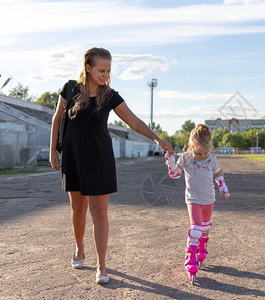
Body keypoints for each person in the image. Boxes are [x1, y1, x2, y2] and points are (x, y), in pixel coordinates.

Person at [49, 47, 174, 284]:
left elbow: (134, 121)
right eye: (101, 70)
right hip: (73, 157)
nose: (106, 75)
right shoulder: (69, 88)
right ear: (88, 67)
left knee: (100, 212)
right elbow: (57, 118)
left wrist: (157, 139)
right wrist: (52, 149)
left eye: (108, 70)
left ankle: (102, 265)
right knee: (78, 210)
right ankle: (79, 249)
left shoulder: (111, 95)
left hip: (99, 159)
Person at [164, 124, 230, 284]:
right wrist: (171, 161)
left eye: (205, 153)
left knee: (205, 227)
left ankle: (202, 249)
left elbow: (218, 175)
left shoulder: (212, 158)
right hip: (193, 198)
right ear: (191, 146)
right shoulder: (186, 157)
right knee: (195, 229)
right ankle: (190, 260)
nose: (202, 156)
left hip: (209, 198)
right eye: (198, 153)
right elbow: (175, 174)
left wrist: (224, 188)